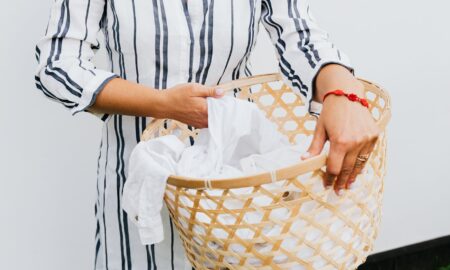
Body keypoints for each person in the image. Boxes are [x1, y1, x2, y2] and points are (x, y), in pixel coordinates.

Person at [34, 0, 379, 269]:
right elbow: (58, 66)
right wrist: (162, 103)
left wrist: (343, 92)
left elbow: (300, 34)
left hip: (239, 190)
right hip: (141, 181)